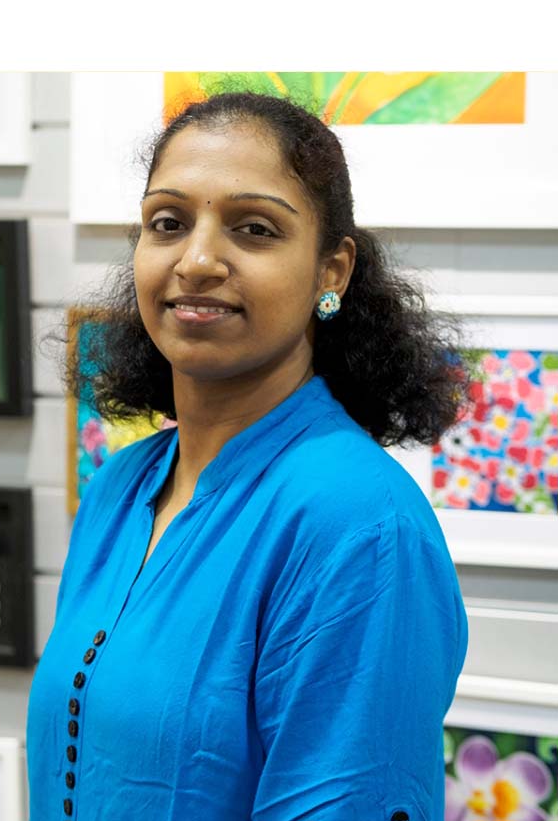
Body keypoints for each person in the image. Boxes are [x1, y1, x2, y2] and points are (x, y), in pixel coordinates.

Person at [27, 91, 469, 820]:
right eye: (168, 223)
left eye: (254, 229)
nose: (197, 260)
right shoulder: (119, 488)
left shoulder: (360, 524)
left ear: (332, 271)